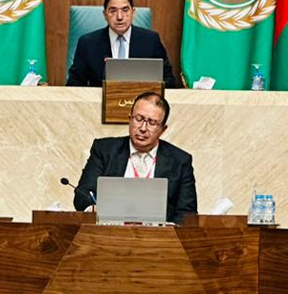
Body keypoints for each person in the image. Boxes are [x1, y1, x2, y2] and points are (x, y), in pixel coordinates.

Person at [73, 91, 197, 224]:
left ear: (162, 129)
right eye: (138, 119)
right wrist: (92, 209)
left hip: (158, 235)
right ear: (130, 119)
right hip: (110, 231)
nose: (143, 128)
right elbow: (83, 195)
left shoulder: (180, 161)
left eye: (152, 123)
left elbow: (187, 213)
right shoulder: (104, 150)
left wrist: (168, 229)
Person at [67, 0, 177, 88]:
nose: (119, 17)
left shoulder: (151, 40)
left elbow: (169, 79)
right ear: (105, 15)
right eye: (113, 11)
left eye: (125, 10)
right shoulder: (87, 43)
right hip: (101, 101)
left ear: (133, 13)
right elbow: (74, 82)